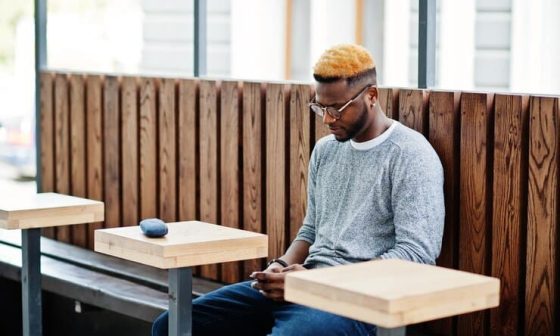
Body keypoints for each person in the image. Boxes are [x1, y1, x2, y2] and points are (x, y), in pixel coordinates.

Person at [152, 44, 445, 336]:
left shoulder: (410, 154)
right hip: (304, 285)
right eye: (320, 107)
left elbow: (416, 254)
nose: (327, 119)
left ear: (371, 96)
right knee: (171, 325)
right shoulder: (326, 150)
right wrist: (280, 266)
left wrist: (319, 282)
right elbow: (311, 229)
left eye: (337, 109)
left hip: (359, 302)